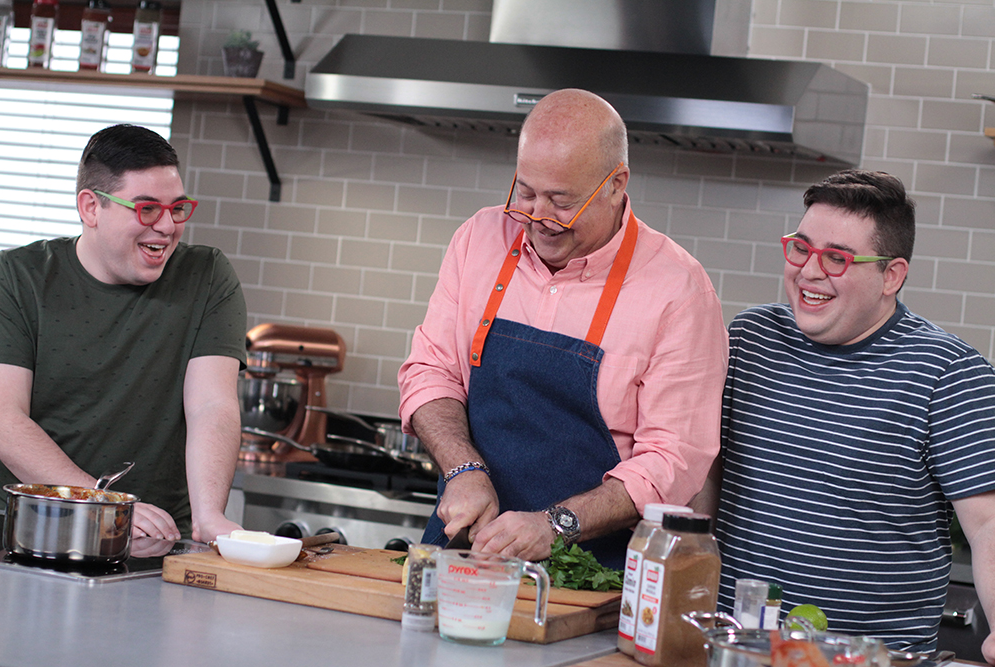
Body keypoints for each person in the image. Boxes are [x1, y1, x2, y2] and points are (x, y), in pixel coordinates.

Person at [397, 89, 728, 569]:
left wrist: (555, 525)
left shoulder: (680, 291)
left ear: (616, 184)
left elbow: (673, 459)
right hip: (465, 551)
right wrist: (462, 469)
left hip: (593, 573)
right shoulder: (477, 239)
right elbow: (430, 371)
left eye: (561, 200)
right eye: (526, 192)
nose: (537, 217)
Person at [707, 169, 995, 659]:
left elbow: (988, 524)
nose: (809, 272)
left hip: (871, 659)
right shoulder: (751, 339)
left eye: (836, 258)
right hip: (735, 649)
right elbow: (706, 474)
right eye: (801, 248)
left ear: (891, 276)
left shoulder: (947, 373)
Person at [0, 124, 247, 544]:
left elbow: (212, 405)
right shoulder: (15, 278)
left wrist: (209, 516)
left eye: (177, 208)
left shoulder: (206, 276)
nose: (166, 226)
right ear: (91, 207)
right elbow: (2, 418)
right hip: (27, 531)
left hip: (156, 538)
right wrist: (100, 503)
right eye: (147, 209)